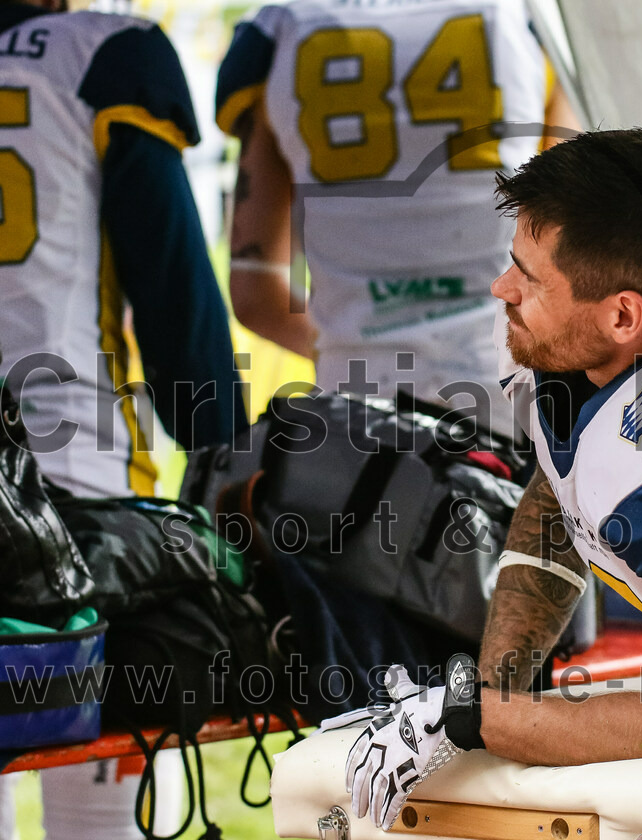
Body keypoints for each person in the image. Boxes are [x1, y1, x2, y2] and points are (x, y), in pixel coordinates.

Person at [334, 128, 642, 831]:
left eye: (529, 278)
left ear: (624, 314)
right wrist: (496, 684)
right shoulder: (631, 319)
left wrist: (478, 717)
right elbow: (561, 486)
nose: (502, 288)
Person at [0, 0, 247, 837]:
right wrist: (220, 442)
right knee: (106, 804)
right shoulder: (104, 55)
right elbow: (173, 281)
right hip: (73, 490)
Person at [215, 0, 577, 435]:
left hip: (355, 411)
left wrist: (359, 345)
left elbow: (256, 295)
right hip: (508, 398)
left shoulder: (281, 33)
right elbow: (577, 255)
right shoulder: (529, 21)